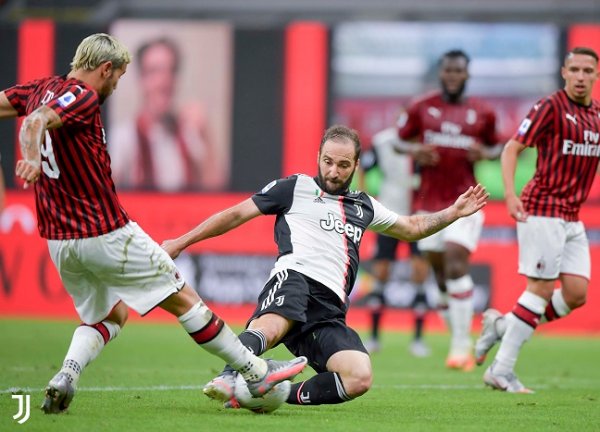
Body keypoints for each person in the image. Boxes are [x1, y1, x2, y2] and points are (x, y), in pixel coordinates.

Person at [0, 33, 306, 414]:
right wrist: (28, 157)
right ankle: (255, 370)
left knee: (111, 315)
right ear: (105, 68)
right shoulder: (82, 96)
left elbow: (23, 110)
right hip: (105, 232)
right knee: (185, 301)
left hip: (60, 242)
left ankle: (67, 372)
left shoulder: (40, 88)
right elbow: (36, 124)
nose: (115, 86)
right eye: (118, 77)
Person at [162, 124, 489, 410]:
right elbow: (233, 215)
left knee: (359, 376)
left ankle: (269, 391)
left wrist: (453, 213)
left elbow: (413, 227)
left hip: (330, 310)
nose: (333, 171)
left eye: (343, 165)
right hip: (296, 278)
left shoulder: (363, 205)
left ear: (356, 165)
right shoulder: (294, 187)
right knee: (271, 327)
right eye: (328, 161)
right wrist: (180, 241)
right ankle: (229, 377)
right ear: (318, 155)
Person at [474, 46, 600, 393]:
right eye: (574, 69)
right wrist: (511, 195)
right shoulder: (550, 107)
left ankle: (501, 328)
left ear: (596, 75)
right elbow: (513, 147)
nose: (580, 76)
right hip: (542, 208)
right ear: (564, 72)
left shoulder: (597, 117)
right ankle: (502, 370)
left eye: (587, 71)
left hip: (572, 217)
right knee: (541, 289)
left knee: (575, 295)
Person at [394, 49, 502, 371]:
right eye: (448, 71)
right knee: (441, 277)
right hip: (427, 204)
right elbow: (397, 141)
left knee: (456, 264)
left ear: (467, 74)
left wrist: (484, 152)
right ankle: (459, 331)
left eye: (459, 71)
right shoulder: (421, 107)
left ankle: (460, 347)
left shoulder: (482, 112)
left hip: (466, 201)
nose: (453, 76)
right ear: (441, 73)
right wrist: (414, 149)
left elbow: (498, 147)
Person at [109, 37, 225, 191]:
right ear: (141, 79)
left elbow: (216, 192)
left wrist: (206, 134)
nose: (164, 81)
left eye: (171, 71)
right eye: (154, 71)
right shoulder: (124, 136)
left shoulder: (188, 132)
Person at [359, 121, 431, 357]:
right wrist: (364, 196)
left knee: (420, 271)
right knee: (381, 270)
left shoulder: (428, 141)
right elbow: (364, 167)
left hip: (420, 215)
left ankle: (418, 339)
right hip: (389, 213)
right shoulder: (384, 141)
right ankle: (374, 337)